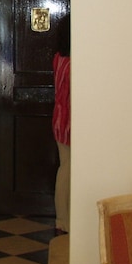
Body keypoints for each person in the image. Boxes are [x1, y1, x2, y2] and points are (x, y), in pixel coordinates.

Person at [51, 14, 71, 233]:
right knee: (68, 169)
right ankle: (64, 220)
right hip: (69, 121)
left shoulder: (58, 58)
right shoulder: (74, 62)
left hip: (59, 120)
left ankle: (63, 219)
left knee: (65, 167)